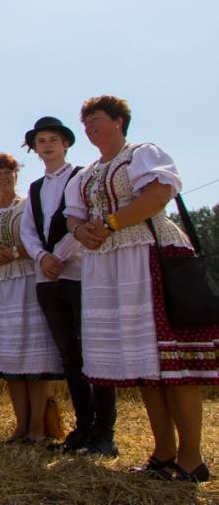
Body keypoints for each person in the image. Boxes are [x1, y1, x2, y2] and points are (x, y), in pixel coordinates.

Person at [65, 96, 219, 482]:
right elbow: (72, 217)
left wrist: (111, 223)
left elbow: (159, 195)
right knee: (144, 365)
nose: (89, 127)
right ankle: (163, 452)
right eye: (85, 122)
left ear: (119, 120)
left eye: (96, 119)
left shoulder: (141, 154)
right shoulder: (86, 175)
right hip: (110, 265)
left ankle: (192, 459)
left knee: (174, 364)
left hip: (150, 254)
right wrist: (81, 231)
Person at [19, 116, 117, 454]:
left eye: (52, 140)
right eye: (41, 141)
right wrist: (42, 257)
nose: (46, 146)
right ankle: (83, 428)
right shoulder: (35, 188)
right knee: (70, 356)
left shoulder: (82, 177)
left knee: (95, 352)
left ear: (65, 144)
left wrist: (58, 255)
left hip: (79, 273)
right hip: (47, 279)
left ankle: (105, 433)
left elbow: (84, 221)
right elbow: (28, 230)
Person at [0, 152, 62, 443]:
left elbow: (41, 242)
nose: (3, 178)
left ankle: (37, 426)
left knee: (32, 353)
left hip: (25, 280)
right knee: (10, 355)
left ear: (16, 175)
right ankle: (21, 425)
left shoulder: (28, 206)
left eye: (7, 172)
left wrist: (12, 253)